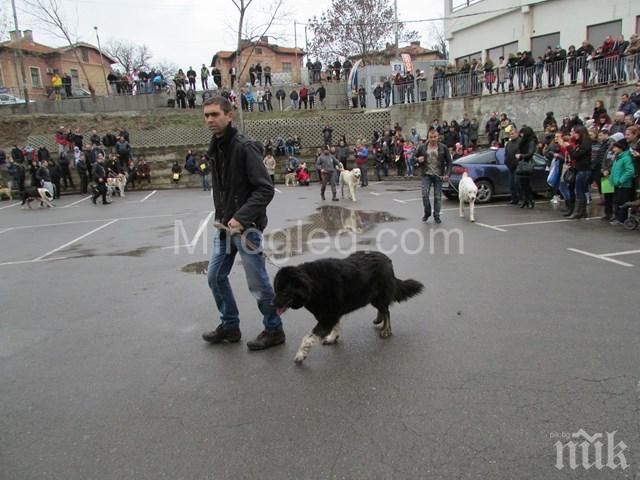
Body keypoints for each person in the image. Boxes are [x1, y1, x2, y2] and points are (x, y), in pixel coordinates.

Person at [201, 95, 285, 349]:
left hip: (247, 229)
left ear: (229, 116)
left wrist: (242, 217)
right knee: (215, 277)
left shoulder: (244, 147)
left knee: (257, 283)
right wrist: (223, 217)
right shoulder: (216, 147)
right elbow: (224, 189)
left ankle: (274, 330)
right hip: (225, 228)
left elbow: (264, 189)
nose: (210, 120)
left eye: (215, 114)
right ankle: (230, 325)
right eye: (206, 115)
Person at [415, 129, 451, 224]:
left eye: (435, 137)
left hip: (439, 175)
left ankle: (436, 215)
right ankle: (427, 213)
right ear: (428, 137)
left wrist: (447, 174)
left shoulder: (443, 148)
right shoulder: (422, 147)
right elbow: (413, 157)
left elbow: (449, 162)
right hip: (426, 174)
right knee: (425, 194)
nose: (433, 139)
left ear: (438, 137)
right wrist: (418, 159)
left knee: (437, 197)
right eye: (431, 137)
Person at [609, 139, 636, 225]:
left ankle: (621, 218)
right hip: (617, 184)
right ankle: (617, 216)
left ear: (621, 148)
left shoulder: (626, 158)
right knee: (617, 201)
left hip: (623, 185)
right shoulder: (618, 157)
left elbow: (630, 171)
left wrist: (621, 180)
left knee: (622, 202)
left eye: (616, 147)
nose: (614, 149)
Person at [515, 126, 537, 209]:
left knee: (526, 184)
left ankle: (530, 200)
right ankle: (525, 200)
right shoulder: (523, 141)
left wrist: (521, 155)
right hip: (522, 162)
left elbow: (530, 153)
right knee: (522, 183)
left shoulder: (531, 142)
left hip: (527, 163)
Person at [504, 126, 521, 204]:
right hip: (510, 165)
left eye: (513, 134)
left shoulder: (520, 142)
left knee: (517, 182)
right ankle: (514, 198)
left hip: (518, 165)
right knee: (511, 183)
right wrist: (506, 160)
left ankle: (520, 198)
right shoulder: (509, 143)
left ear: (517, 133)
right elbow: (506, 153)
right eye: (510, 134)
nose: (511, 135)